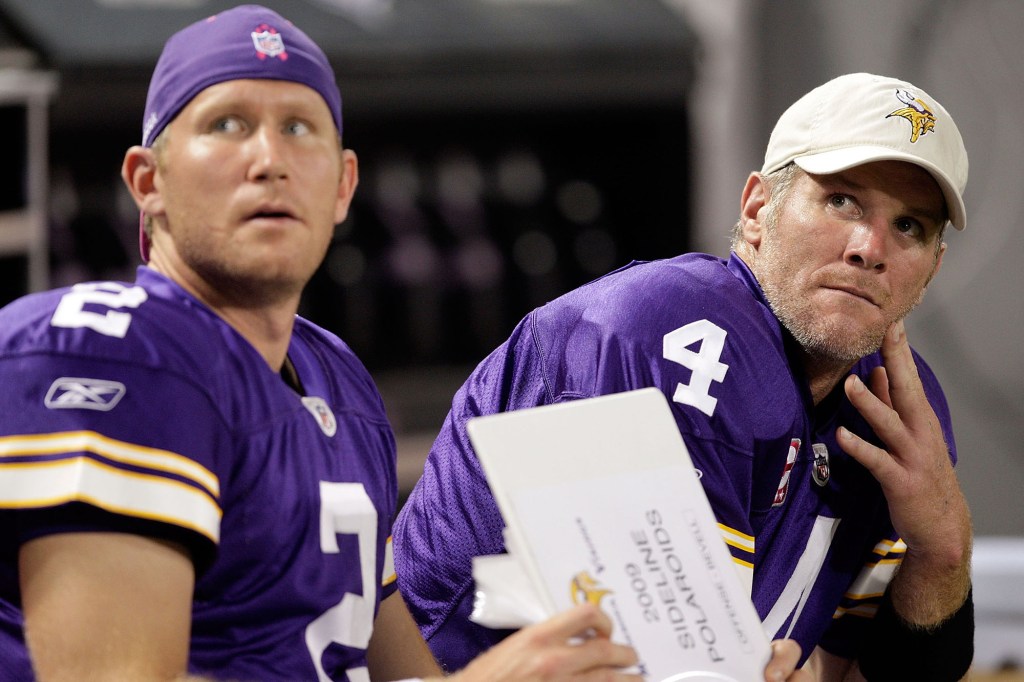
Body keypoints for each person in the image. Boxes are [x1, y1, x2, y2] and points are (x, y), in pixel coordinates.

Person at [0, 5, 667, 681]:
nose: (270, 160)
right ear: (149, 183)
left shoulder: (335, 377)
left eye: (299, 128)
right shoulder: (105, 351)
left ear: (344, 186)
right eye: (227, 125)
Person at [394, 72, 975, 680]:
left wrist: (942, 551)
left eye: (910, 226)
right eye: (842, 200)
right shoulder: (668, 332)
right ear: (758, 210)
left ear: (931, 269)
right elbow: (661, 668)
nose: (870, 246)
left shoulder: (900, 408)